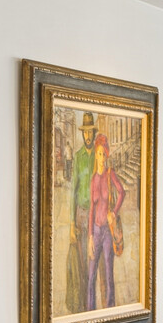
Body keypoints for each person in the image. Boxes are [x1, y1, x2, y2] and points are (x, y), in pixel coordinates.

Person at [86, 134, 126, 311]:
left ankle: (110, 312)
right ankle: (90, 312)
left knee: (109, 275)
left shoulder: (111, 174)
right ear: (96, 155)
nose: (102, 158)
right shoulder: (94, 179)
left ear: (107, 155)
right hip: (96, 231)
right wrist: (89, 237)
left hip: (108, 232)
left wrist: (114, 212)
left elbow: (122, 192)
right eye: (99, 154)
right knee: (91, 276)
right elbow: (91, 209)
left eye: (104, 154)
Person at [67, 112, 97, 312]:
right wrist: (72, 223)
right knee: (80, 260)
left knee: (92, 260)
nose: (87, 136)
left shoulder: (98, 155)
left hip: (95, 216)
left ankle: (90, 303)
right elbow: (73, 191)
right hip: (80, 213)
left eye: (90, 132)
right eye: (84, 132)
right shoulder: (77, 157)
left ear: (94, 133)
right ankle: (82, 304)